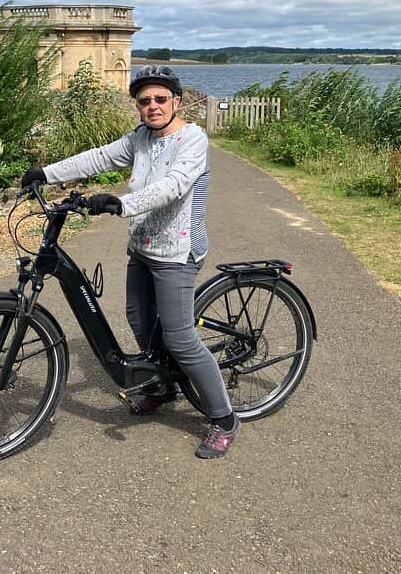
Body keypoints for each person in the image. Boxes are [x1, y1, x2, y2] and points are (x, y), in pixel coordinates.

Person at [20, 64, 238, 459]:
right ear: (137, 106)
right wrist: (46, 172)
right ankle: (161, 386)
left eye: (160, 99)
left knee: (180, 338)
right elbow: (99, 157)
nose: (152, 106)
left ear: (176, 101)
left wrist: (120, 203)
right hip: (142, 247)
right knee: (139, 320)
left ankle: (223, 419)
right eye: (144, 101)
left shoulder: (193, 140)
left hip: (177, 252)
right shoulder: (140, 139)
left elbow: (172, 188)